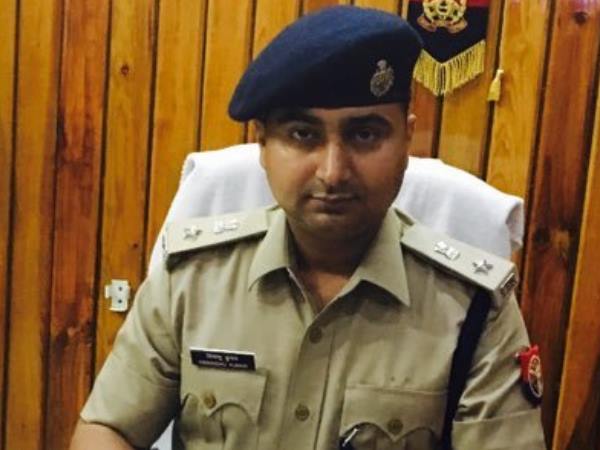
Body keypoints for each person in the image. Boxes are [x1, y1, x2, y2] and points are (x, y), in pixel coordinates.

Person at [71, 5, 546, 450]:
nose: (333, 172)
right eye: (303, 135)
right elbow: (110, 427)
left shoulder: (474, 309)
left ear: (406, 139)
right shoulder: (191, 279)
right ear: (262, 145)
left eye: (365, 134)